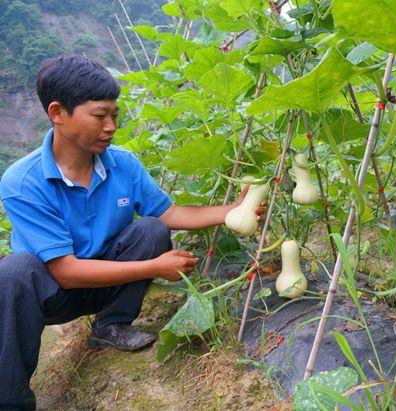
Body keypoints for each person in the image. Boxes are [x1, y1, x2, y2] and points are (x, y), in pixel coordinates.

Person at [0, 55, 265, 410]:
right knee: (14, 271)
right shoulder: (22, 181)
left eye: (115, 115)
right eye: (99, 116)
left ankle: (110, 326)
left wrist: (235, 210)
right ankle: (11, 400)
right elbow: (65, 271)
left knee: (152, 228)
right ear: (58, 113)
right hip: (53, 294)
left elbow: (170, 214)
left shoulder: (122, 163)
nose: (110, 126)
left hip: (109, 282)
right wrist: (155, 267)